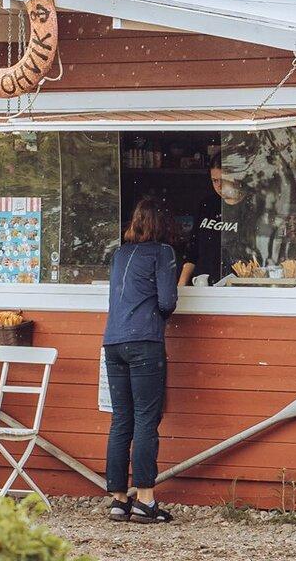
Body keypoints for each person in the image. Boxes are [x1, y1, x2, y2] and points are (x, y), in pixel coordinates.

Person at [102, 198, 179, 524]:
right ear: (163, 225)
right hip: (144, 341)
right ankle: (145, 499)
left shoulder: (120, 254)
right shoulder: (163, 253)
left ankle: (119, 499)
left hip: (113, 342)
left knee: (122, 420)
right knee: (146, 421)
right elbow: (167, 301)